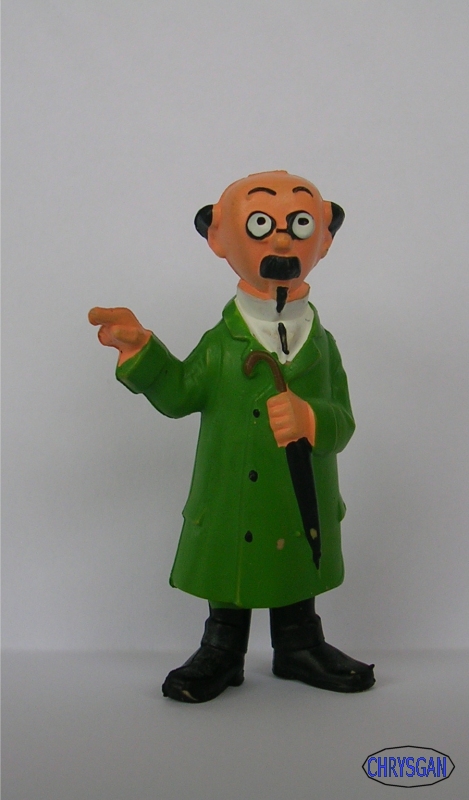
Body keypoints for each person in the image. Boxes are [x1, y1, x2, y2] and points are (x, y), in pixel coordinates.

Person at [89, 170, 375, 703]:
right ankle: (222, 648)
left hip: (299, 496)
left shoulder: (323, 345)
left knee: (297, 560)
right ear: (218, 237)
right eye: (261, 224)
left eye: (299, 224)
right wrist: (142, 351)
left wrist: (312, 420)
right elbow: (179, 394)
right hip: (231, 494)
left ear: (325, 237)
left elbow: (344, 420)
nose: (282, 240)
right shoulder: (221, 345)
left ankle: (299, 643)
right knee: (232, 568)